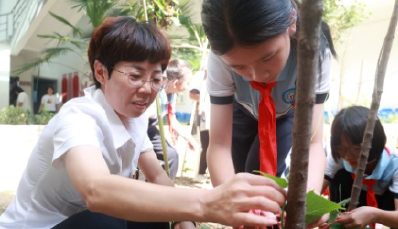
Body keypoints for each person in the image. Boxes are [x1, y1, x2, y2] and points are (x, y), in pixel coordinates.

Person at [0, 17, 286, 229]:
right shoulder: (77, 118)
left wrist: (183, 219)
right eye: (135, 76)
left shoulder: (133, 118)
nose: (148, 89)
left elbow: (160, 179)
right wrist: (206, 203)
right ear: (101, 72)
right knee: (106, 219)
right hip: (43, 226)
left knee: (155, 215)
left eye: (157, 78)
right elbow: (96, 191)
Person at [201, 0, 336, 194]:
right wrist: (230, 201)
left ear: (291, 21)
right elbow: (220, 145)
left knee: (262, 177)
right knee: (240, 179)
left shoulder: (314, 53)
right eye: (239, 67)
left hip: (284, 114)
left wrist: (306, 202)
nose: (258, 76)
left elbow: (313, 144)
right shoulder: (220, 56)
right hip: (241, 111)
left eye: (267, 57)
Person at [321, 106, 398, 229]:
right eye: (341, 148)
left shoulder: (396, 165)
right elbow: (315, 189)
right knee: (339, 174)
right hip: (353, 200)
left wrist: (375, 215)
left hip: (386, 205)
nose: (347, 155)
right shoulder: (338, 156)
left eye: (357, 149)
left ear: (375, 143)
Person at [147, 59, 197, 179]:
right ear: (175, 83)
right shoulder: (155, 91)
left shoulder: (171, 94)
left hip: (150, 127)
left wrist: (189, 138)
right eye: (187, 82)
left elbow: (173, 120)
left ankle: (167, 187)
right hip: (138, 124)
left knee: (171, 155)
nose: (188, 87)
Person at [189, 70, 210, 176]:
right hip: (206, 116)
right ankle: (201, 172)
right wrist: (208, 101)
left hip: (223, 114)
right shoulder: (202, 73)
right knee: (207, 145)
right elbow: (192, 94)